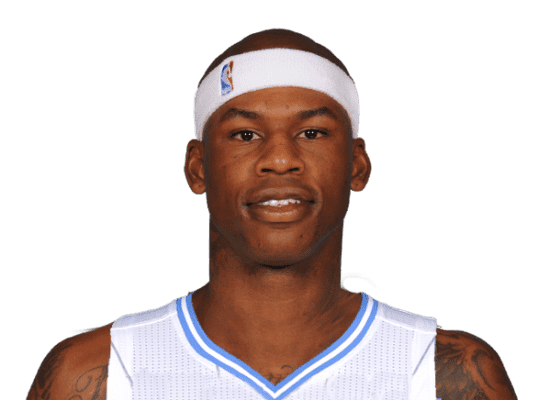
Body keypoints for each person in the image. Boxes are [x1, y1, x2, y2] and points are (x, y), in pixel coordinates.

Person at [26, 28, 518, 400]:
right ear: (198, 168)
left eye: (312, 133)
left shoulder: (442, 374)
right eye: (245, 135)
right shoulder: (101, 373)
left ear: (357, 164)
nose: (280, 159)